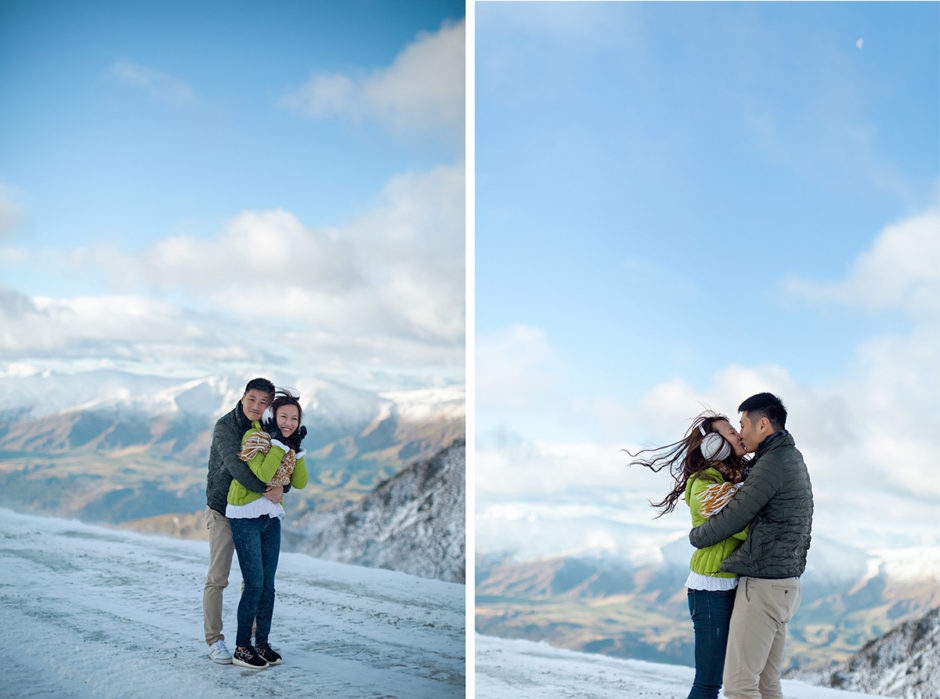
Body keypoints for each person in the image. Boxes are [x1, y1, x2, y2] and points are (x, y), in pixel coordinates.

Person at [689, 393, 813, 699]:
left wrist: (697, 537)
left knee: (740, 686)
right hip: (781, 584)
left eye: (741, 425)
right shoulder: (788, 457)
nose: (740, 432)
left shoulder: (769, 465)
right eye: (733, 429)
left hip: (763, 585)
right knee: (762, 684)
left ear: (763, 424)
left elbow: (737, 518)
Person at [629, 411, 749, 699]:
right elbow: (741, 527)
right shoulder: (705, 485)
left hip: (730, 583)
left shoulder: (734, 477)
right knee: (709, 682)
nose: (739, 435)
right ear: (714, 446)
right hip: (712, 589)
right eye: (732, 432)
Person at [226, 389, 309, 669]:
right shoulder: (256, 438)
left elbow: (299, 482)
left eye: (294, 419)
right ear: (272, 416)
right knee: (254, 585)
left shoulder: (286, 444)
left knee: (268, 587)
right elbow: (263, 473)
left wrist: (295, 448)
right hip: (245, 515)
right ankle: (242, 648)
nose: (288, 422)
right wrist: (278, 444)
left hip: (271, 517)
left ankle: (261, 643)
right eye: (284, 416)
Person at [203, 377, 281, 664]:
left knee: (254, 582)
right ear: (243, 396)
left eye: (264, 402)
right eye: (253, 399)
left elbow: (281, 464)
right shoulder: (226, 426)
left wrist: (280, 488)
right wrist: (267, 490)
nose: (257, 406)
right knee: (218, 579)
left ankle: (249, 642)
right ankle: (214, 640)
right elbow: (236, 466)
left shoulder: (268, 427)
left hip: (252, 514)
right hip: (223, 512)